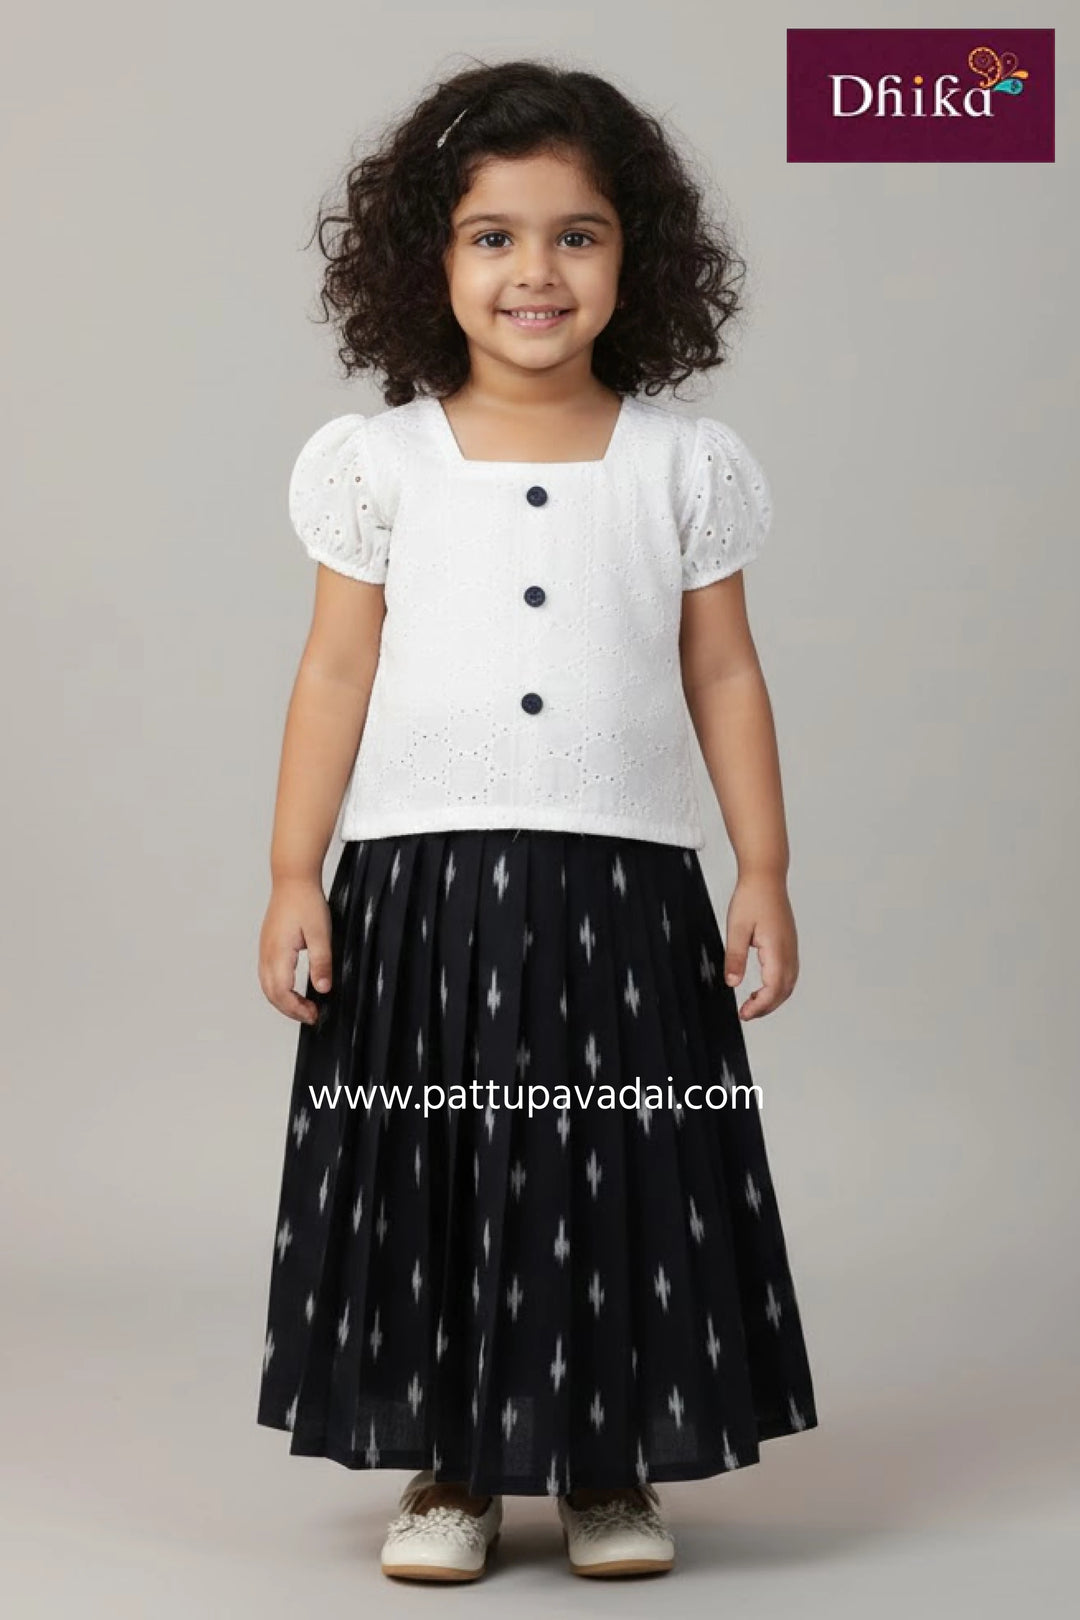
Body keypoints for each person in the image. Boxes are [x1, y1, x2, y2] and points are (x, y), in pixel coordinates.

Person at [256, 57, 818, 1583]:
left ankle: (609, 1468)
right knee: (438, 1173)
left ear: (637, 257)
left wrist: (762, 866)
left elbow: (724, 669)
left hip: (624, 888)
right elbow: (334, 670)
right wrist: (295, 871)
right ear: (427, 258)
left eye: (577, 235)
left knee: (614, 1168)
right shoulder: (377, 463)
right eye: (493, 236)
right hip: (420, 885)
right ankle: (449, 1470)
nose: (536, 272)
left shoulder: (683, 462)